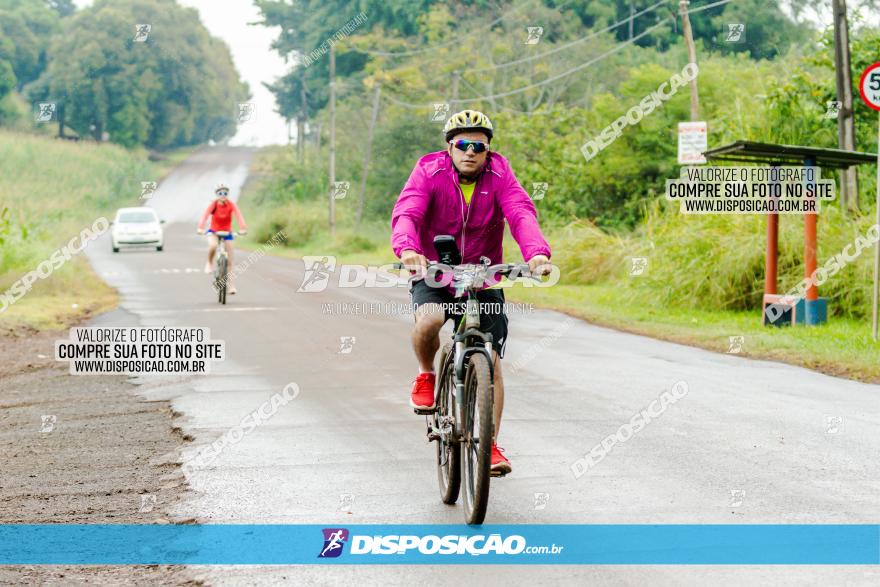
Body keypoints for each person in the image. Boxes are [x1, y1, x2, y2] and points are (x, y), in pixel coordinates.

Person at [391, 109, 552, 476]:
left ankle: (490, 444)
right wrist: (408, 249)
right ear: (449, 147)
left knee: (491, 361)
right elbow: (409, 212)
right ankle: (425, 373)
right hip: (433, 269)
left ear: (488, 149)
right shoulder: (429, 171)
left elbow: (520, 212)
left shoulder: (500, 174)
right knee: (429, 319)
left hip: (483, 273)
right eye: (462, 144)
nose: (470, 151)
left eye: (478, 145)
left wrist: (537, 253)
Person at [197, 183, 248, 294]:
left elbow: (239, 216)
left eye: (225, 193)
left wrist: (243, 228)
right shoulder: (214, 205)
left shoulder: (231, 205)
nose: (223, 195)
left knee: (230, 260)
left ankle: (231, 287)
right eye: (220, 193)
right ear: (217, 194)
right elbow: (205, 216)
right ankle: (209, 263)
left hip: (227, 232)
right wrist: (200, 228)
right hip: (214, 231)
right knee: (213, 245)